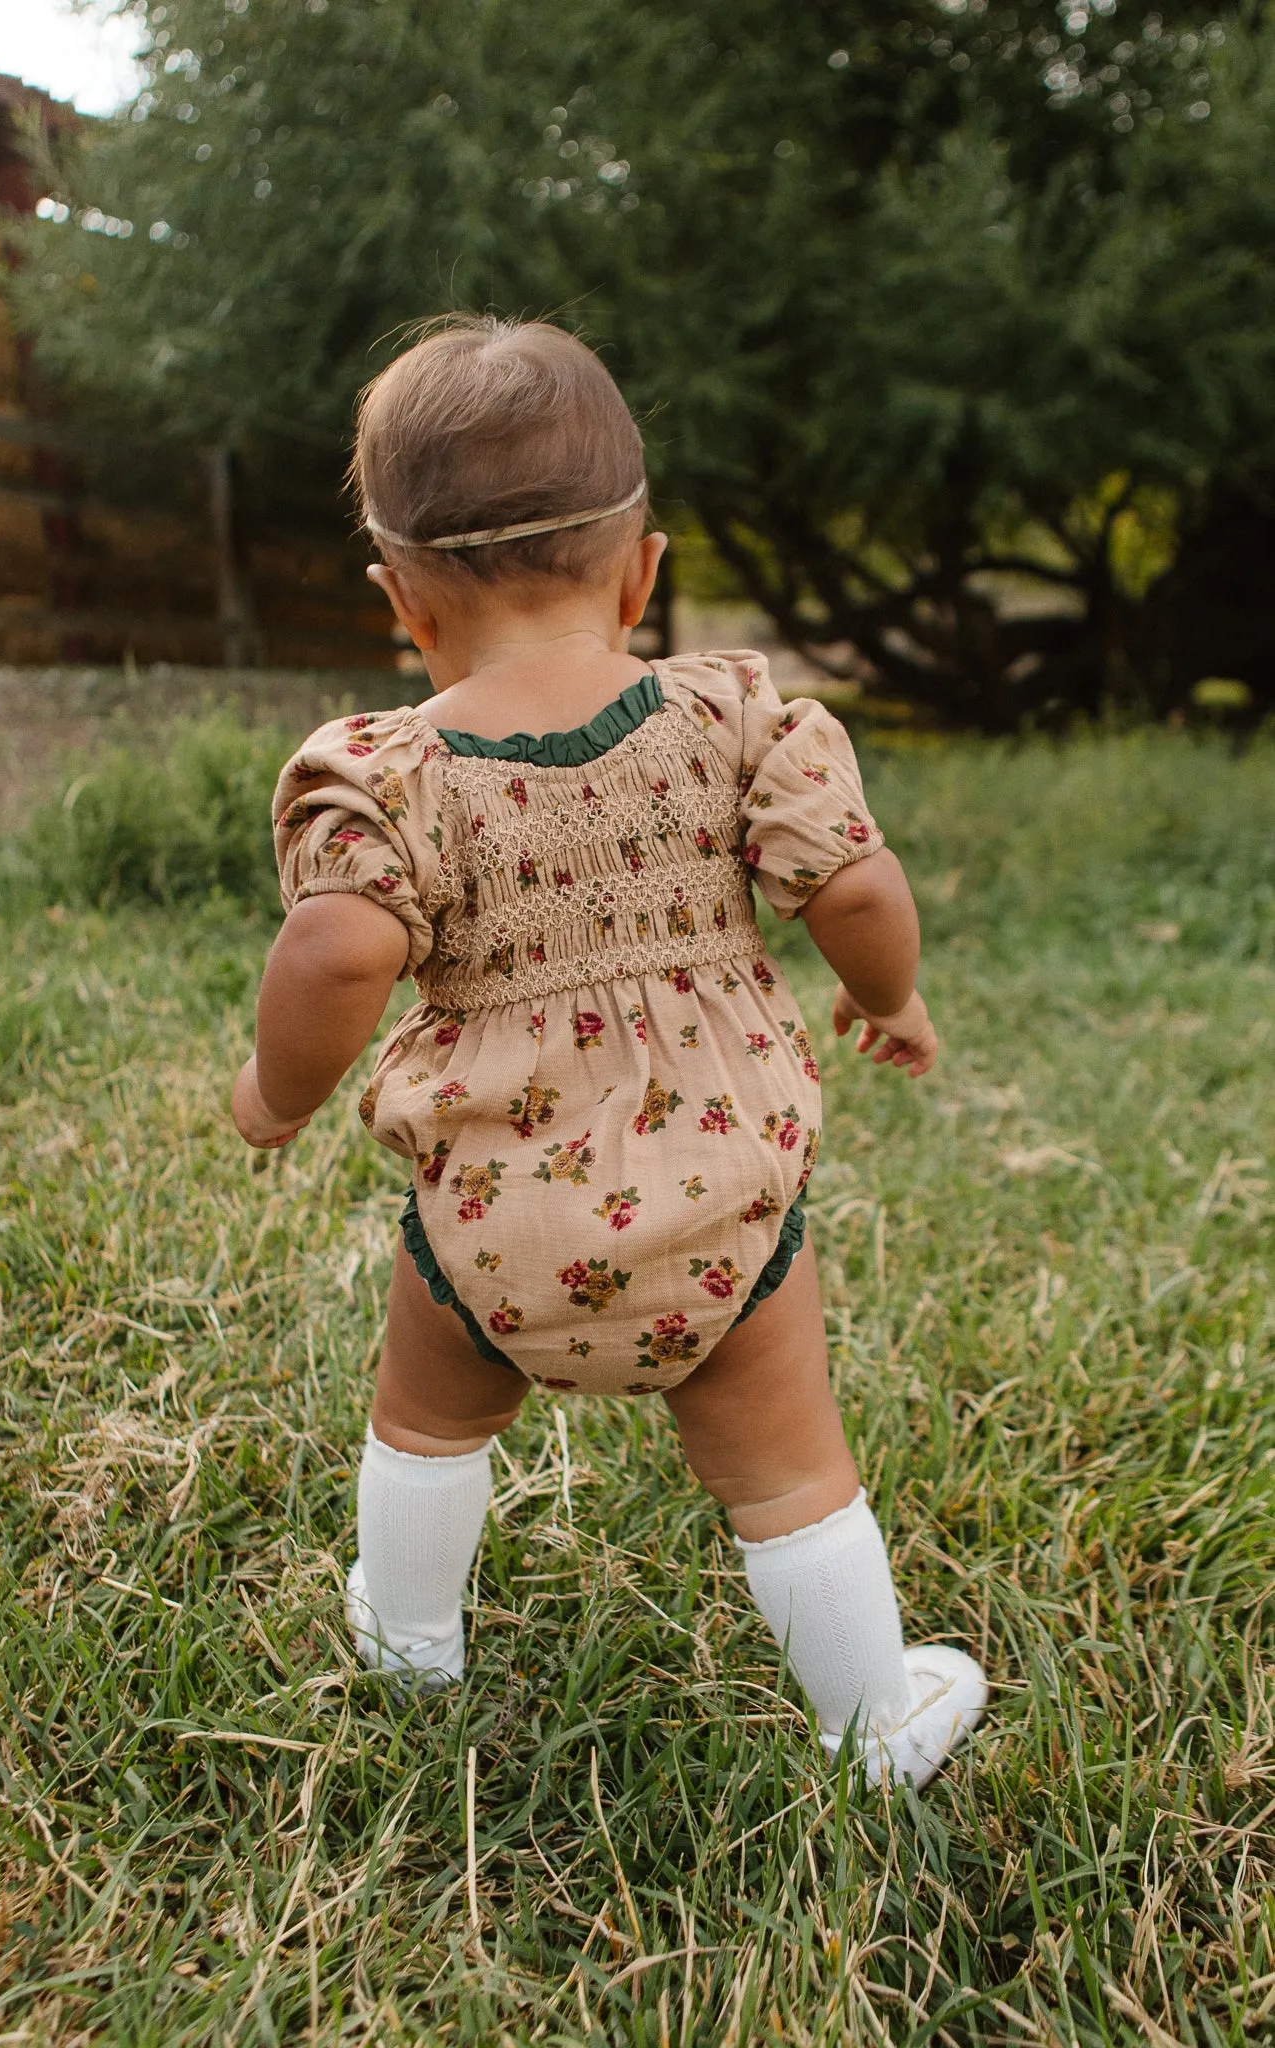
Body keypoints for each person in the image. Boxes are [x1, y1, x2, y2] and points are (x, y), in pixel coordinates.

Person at [232, 317, 986, 1789]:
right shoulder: (737, 716)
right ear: (643, 570)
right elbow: (856, 888)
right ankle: (873, 1719)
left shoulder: (384, 776)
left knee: (424, 1418)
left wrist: (275, 1092)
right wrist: (888, 999)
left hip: (487, 1227)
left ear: (403, 602)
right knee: (789, 1469)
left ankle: (408, 1642)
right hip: (724, 1213)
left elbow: (334, 951)